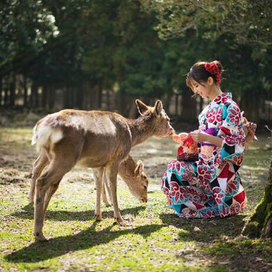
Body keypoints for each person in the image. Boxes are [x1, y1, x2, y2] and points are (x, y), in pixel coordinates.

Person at [161, 60, 248, 218]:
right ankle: (198, 205)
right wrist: (188, 138)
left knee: (175, 170)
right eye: (193, 87)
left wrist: (206, 137)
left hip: (220, 169)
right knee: (173, 169)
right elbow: (203, 142)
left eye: (196, 85)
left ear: (209, 81)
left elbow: (237, 146)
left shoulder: (231, 107)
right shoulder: (207, 110)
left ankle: (216, 205)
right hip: (204, 163)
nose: (195, 90)